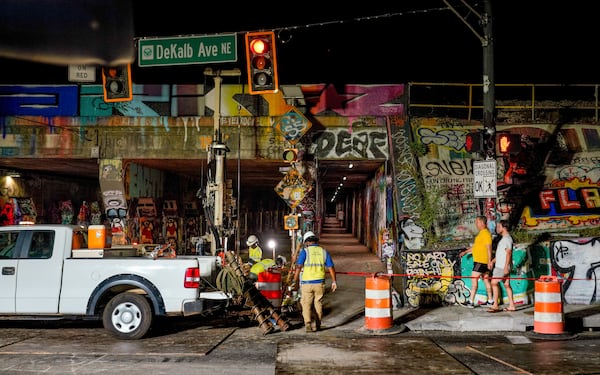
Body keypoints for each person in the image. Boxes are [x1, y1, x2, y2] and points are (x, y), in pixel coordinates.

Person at [292, 231, 337, 332]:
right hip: (319, 283)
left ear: (307, 242)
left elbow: (299, 267)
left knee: (306, 304)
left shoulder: (305, 252)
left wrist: (294, 280)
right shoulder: (323, 252)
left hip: (307, 283)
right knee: (318, 303)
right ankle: (318, 324)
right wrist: (334, 281)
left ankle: (308, 324)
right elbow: (331, 267)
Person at [459, 215, 493, 308]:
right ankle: (490, 301)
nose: (476, 224)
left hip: (481, 261)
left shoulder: (485, 233)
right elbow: (476, 247)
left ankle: (471, 301)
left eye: (477, 222)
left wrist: (489, 261)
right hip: (481, 261)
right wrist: (466, 252)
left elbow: (489, 248)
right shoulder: (481, 234)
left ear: (482, 223)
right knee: (486, 280)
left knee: (474, 279)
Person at [488, 219, 517, 312]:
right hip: (501, 265)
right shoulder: (504, 239)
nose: (497, 228)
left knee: (493, 283)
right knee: (507, 285)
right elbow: (501, 254)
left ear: (504, 228)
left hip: (501, 267)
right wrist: (492, 261)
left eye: (499, 226)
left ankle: (495, 305)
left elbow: (508, 253)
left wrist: (505, 267)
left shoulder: (507, 239)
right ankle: (512, 305)